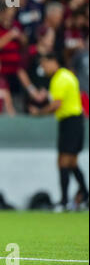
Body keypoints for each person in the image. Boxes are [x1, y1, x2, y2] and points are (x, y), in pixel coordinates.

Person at [29, 53, 88, 211]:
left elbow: (56, 104)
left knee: (63, 162)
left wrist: (39, 113)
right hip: (76, 121)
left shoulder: (59, 79)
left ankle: (64, 201)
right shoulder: (67, 76)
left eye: (44, 64)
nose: (43, 68)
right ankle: (85, 196)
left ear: (53, 61)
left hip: (70, 122)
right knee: (73, 163)